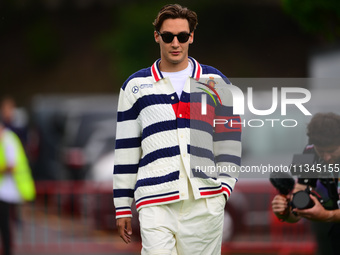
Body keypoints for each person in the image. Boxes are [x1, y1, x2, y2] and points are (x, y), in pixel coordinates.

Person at [112, 4, 242, 255]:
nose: (175, 43)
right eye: (168, 36)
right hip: (155, 202)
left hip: (205, 204)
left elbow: (229, 142)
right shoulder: (135, 86)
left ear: (191, 36)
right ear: (157, 36)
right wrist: (122, 206)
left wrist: (223, 191)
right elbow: (126, 150)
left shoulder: (216, 82)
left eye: (182, 36)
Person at [271, 112, 340, 255]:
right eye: (321, 151)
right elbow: (299, 206)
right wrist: (285, 211)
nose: (326, 157)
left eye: (332, 151)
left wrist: (327, 215)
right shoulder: (308, 153)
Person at [0, 119, 36, 255]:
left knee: (5, 224)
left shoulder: (8, 140)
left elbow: (11, 165)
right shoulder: (6, 139)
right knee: (6, 224)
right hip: (6, 189)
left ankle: (8, 251)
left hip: (9, 190)